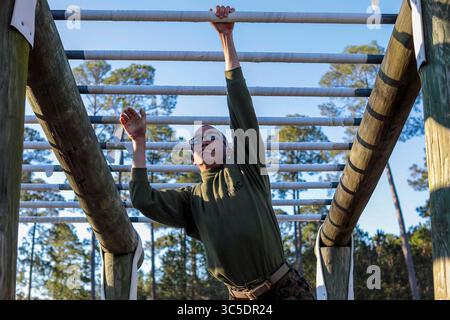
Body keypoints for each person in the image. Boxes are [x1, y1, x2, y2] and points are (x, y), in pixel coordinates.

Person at [119, 5, 315, 300]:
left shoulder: (248, 171)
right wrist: (139, 142)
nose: (205, 141)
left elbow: (241, 107)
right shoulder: (192, 200)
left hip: (284, 290)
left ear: (231, 146)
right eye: (198, 141)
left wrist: (226, 39)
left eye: (213, 136)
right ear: (194, 158)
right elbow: (142, 199)